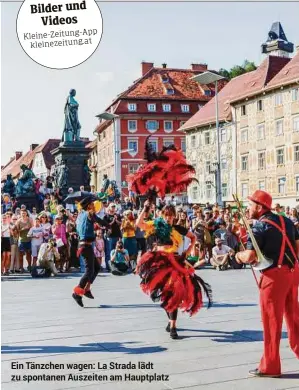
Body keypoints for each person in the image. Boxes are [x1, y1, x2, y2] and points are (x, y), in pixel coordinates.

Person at [235, 190, 299, 378]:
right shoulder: (286, 220)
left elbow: (250, 256)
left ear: (260, 207)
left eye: (251, 204)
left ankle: (270, 366)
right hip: (293, 272)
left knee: (272, 322)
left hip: (273, 278)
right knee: (294, 318)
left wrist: (237, 256)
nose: (248, 208)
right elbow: (297, 247)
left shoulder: (258, 228)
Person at [136, 202, 212, 339]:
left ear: (174, 217)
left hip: (175, 262)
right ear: (162, 215)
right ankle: (170, 321)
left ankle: (173, 327)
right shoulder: (156, 226)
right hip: (158, 264)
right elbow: (139, 224)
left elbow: (193, 237)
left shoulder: (177, 228)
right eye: (166, 215)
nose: (168, 218)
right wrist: (146, 208)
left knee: (173, 293)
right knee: (163, 295)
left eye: (171, 216)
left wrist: (188, 251)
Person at [72, 196, 109, 307]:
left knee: (96, 268)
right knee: (89, 270)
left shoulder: (80, 215)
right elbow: (100, 221)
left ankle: (87, 289)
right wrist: (109, 225)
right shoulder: (89, 214)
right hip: (85, 246)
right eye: (92, 204)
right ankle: (76, 293)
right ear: (88, 206)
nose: (94, 205)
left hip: (84, 245)